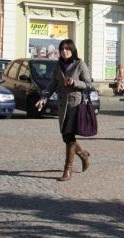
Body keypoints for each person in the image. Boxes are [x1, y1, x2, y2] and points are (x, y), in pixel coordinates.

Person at [36, 39, 92, 182]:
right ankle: (83, 154)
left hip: (75, 104)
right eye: (62, 49)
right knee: (66, 136)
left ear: (72, 50)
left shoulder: (80, 64)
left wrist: (75, 83)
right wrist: (43, 99)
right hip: (62, 105)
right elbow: (51, 85)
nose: (64, 51)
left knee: (69, 136)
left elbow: (88, 83)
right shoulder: (57, 66)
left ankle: (68, 169)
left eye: (67, 49)